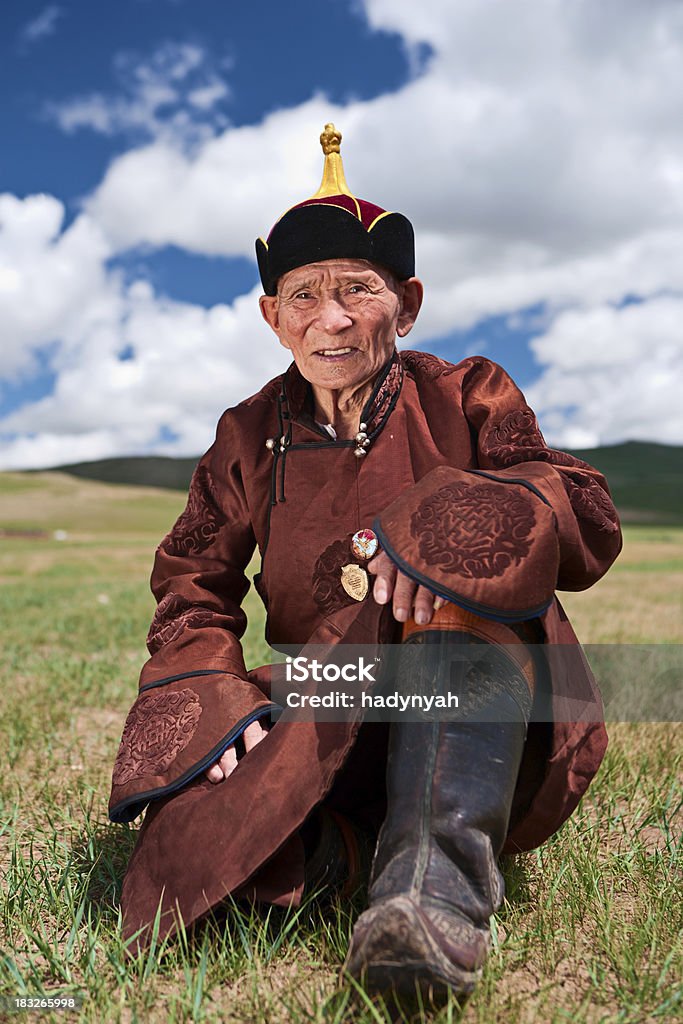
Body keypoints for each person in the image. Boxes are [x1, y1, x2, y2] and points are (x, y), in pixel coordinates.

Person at [108, 124, 622, 1002]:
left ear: (407, 303)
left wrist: (436, 527)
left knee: (452, 607)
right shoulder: (243, 436)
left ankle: (431, 900)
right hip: (331, 700)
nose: (330, 318)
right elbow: (192, 587)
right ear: (272, 317)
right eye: (301, 295)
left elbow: (579, 507)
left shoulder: (467, 393)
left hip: (474, 688)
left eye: (357, 289)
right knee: (191, 821)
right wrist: (217, 709)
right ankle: (346, 856)